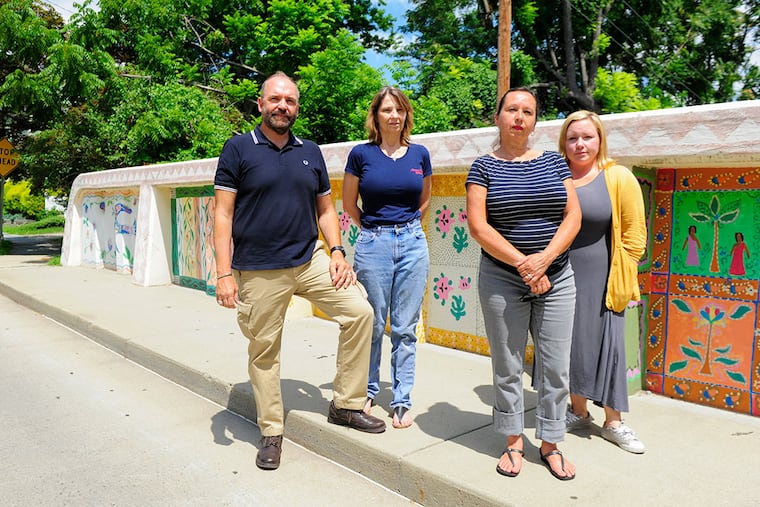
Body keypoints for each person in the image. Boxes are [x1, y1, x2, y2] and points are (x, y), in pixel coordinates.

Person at [213, 71, 386, 471]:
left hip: (310, 259)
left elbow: (326, 208)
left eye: (290, 101)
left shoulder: (310, 150)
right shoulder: (238, 148)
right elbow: (222, 213)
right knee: (265, 350)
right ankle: (271, 430)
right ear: (260, 104)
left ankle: (345, 404)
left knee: (359, 312)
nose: (282, 107)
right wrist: (224, 274)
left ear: (296, 107)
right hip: (258, 270)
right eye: (275, 99)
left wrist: (338, 252)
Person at [466, 87, 581, 480]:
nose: (519, 116)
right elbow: (478, 225)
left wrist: (545, 261)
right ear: (498, 117)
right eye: (512, 109)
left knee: (555, 366)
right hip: (501, 277)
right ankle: (513, 439)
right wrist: (523, 265)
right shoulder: (483, 166)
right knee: (508, 364)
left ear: (535, 121)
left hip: (558, 277)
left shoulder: (554, 162)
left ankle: (551, 443)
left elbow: (572, 217)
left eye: (527, 111)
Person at [342, 86, 432, 429]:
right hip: (373, 244)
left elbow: (424, 201)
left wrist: (405, 228)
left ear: (406, 114)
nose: (394, 116)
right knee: (374, 323)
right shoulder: (361, 155)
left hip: (412, 243)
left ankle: (401, 401)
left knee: (406, 329)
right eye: (386, 110)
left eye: (399, 110)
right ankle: (366, 391)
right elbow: (350, 204)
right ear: (376, 116)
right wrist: (376, 231)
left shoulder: (419, 154)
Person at [558, 110, 647, 454]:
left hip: (604, 276)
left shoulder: (617, 176)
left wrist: (624, 269)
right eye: (573, 137)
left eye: (587, 137)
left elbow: (635, 232)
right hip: (561, 274)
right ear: (563, 142)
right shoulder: (556, 175)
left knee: (610, 347)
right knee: (572, 345)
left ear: (600, 140)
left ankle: (614, 422)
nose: (580, 144)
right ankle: (578, 411)